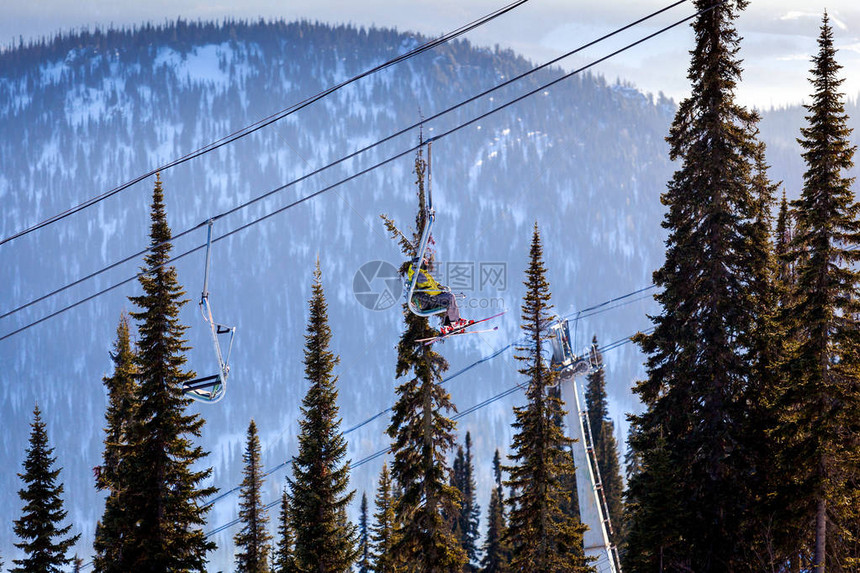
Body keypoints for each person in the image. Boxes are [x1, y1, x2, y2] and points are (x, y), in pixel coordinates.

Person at [407, 256, 471, 334]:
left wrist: (440, 287)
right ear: (420, 264)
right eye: (425, 263)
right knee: (450, 298)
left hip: (427, 299)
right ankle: (455, 322)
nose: (427, 265)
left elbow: (431, 285)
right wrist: (440, 291)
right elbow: (429, 289)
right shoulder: (420, 276)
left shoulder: (420, 273)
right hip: (427, 301)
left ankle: (448, 325)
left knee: (448, 300)